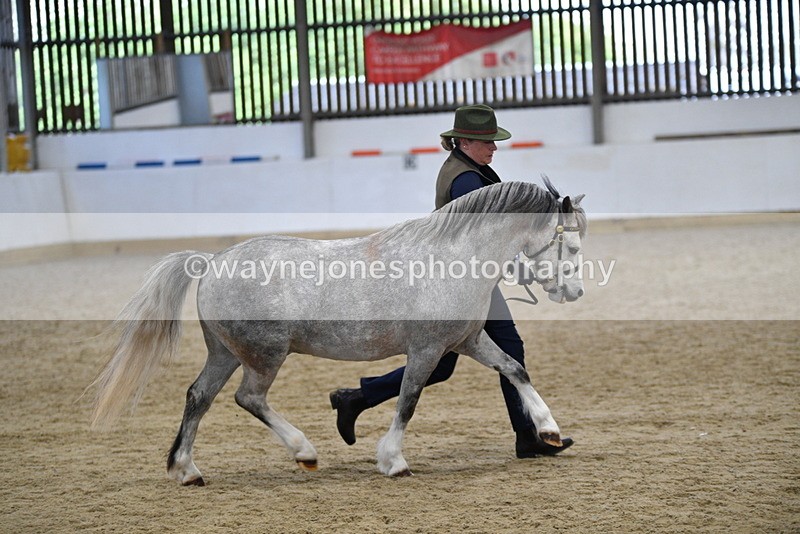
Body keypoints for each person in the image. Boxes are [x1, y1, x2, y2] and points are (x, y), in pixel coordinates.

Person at [330, 104, 573, 458]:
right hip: (459, 285)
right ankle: (526, 435)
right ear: (464, 141)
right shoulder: (466, 180)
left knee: (442, 365)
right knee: (498, 352)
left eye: (493, 140)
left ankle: (357, 398)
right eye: (486, 141)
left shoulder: (474, 170)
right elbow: (477, 239)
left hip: (469, 282)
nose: (493, 147)